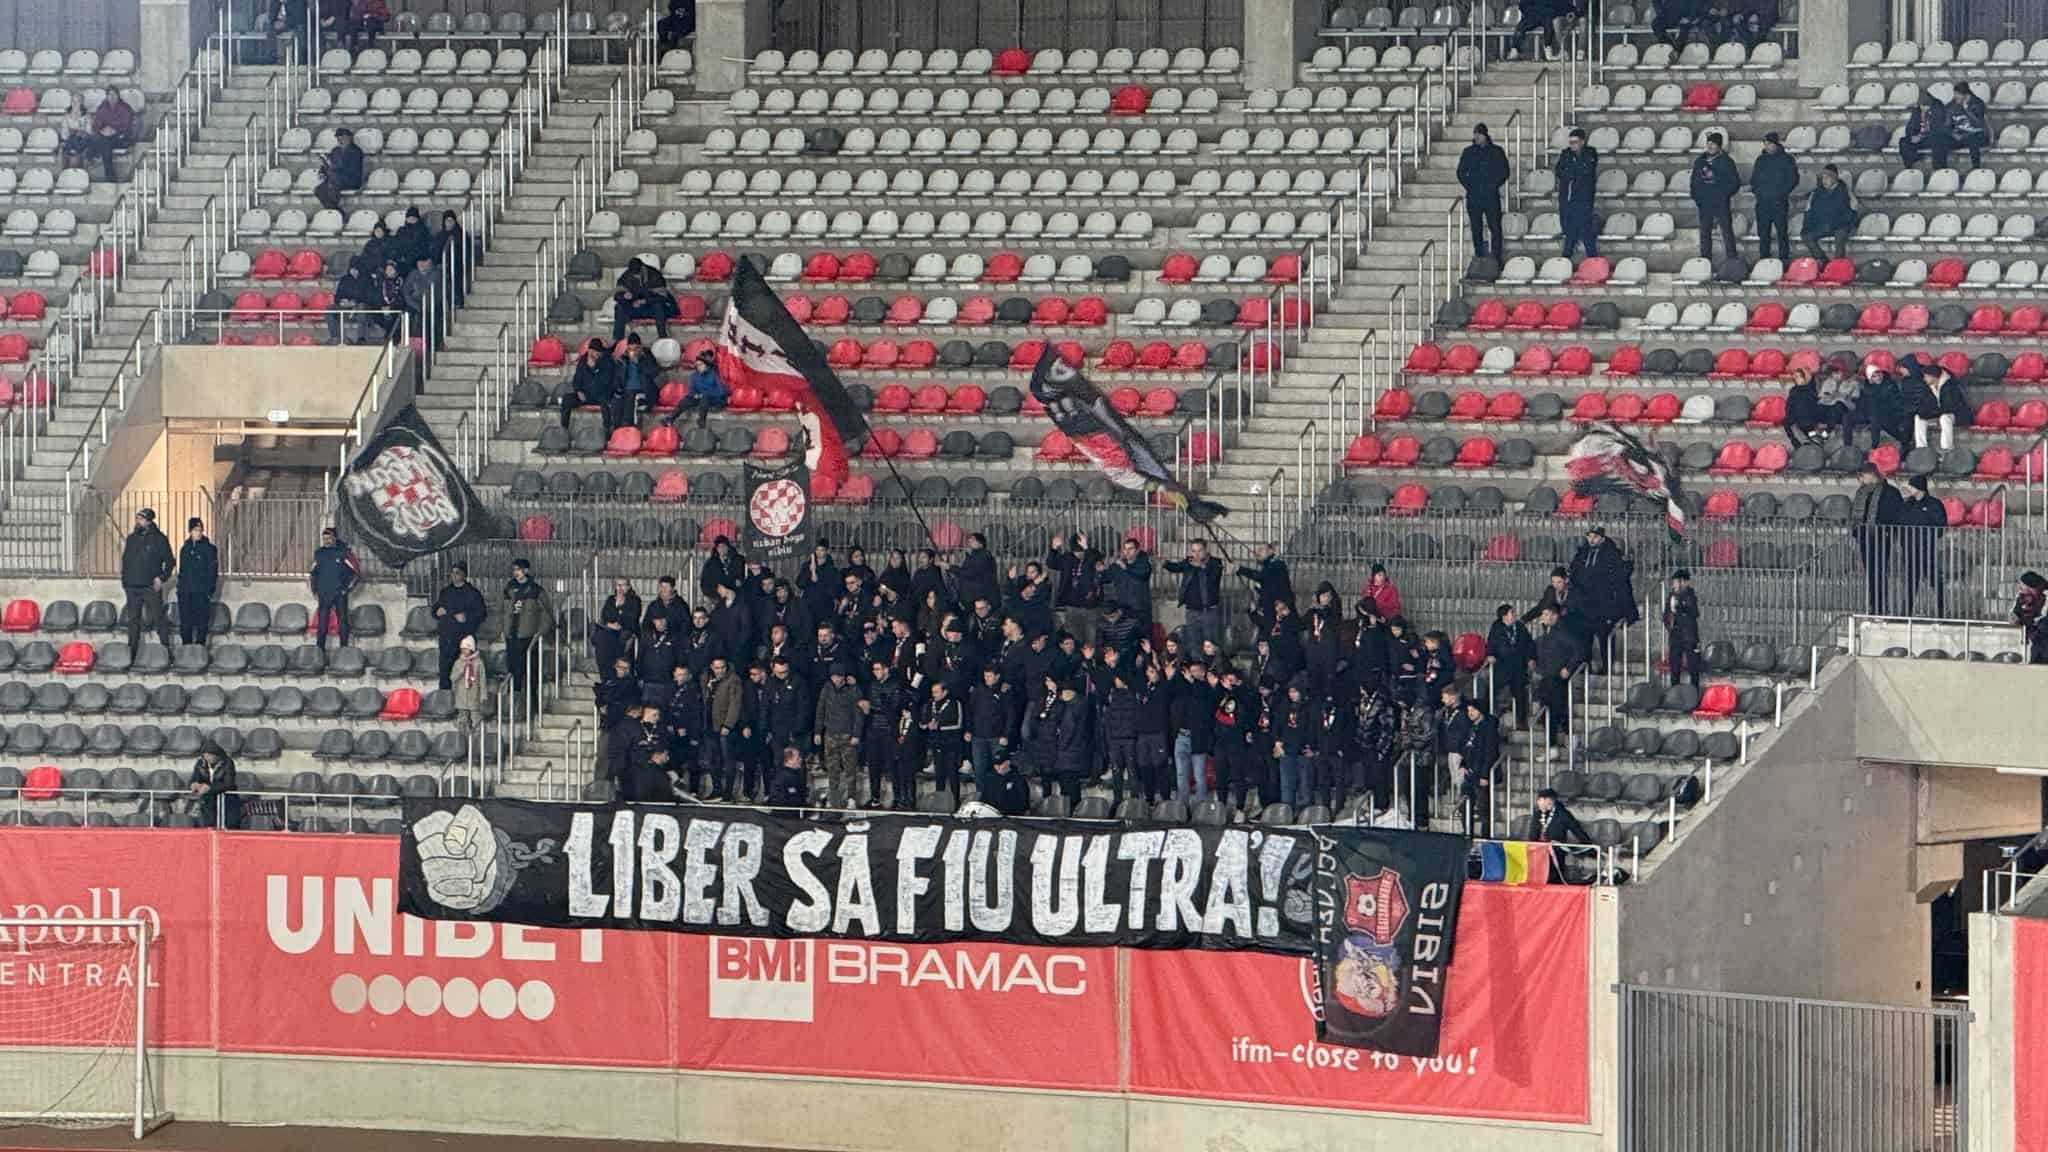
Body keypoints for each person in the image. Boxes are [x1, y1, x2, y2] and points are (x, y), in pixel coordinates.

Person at [1568, 526, 1634, 673]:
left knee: (1605, 637)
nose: (1591, 540)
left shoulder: (1611, 553)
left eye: (1595, 537)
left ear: (1602, 538)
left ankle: (1607, 667)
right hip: (1584, 603)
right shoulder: (1582, 552)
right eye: (1589, 536)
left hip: (1603, 605)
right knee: (1584, 638)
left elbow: (1620, 576)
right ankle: (1586, 666)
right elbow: (1574, 571)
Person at [1851, 464, 1905, 614]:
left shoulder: (1890, 492)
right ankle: (1874, 604)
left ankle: (1881, 605)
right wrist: (1857, 531)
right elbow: (1856, 514)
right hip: (1865, 537)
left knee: (1879, 571)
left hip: (1881, 537)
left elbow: (1895, 514)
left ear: (1871, 474)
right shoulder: (1861, 492)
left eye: (1863, 475)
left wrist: (1887, 530)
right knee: (1870, 572)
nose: (1861, 479)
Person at [119, 508, 175, 651]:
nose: (138, 521)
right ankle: (132, 651)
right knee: (133, 621)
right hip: (132, 586)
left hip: (150, 586)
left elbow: (170, 561)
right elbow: (125, 560)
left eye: (141, 519)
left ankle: (166, 650)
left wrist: (161, 578)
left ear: (149, 521)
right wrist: (125, 580)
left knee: (159, 619)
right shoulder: (131, 538)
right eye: (137, 518)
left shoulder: (159, 538)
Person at [1533, 606, 1584, 754]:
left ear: (1555, 616)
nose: (1543, 617)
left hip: (1557, 679)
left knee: (1556, 711)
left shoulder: (1563, 632)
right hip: (1545, 677)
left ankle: (1563, 739)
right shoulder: (1545, 634)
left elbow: (1578, 650)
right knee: (1547, 712)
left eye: (1546, 614)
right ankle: (1554, 744)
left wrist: (1568, 668)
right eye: (1543, 614)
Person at [1457, 122, 1511, 262]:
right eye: (1475, 135)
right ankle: (1479, 254)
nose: (1477, 137)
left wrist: (1493, 184)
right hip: (1474, 195)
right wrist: (1470, 186)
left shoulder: (1496, 151)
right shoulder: (1468, 152)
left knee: (1495, 227)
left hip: (1490, 195)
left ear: (1485, 135)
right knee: (1476, 227)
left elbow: (1504, 171)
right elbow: (1461, 172)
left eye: (1479, 134)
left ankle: (1496, 256)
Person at [813, 663, 864, 810]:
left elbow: (858, 714)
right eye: (834, 676)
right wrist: (818, 731)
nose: (836, 679)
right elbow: (820, 710)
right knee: (832, 769)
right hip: (830, 734)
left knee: (850, 769)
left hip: (848, 735)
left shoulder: (853, 689)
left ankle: (851, 798)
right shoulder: (826, 689)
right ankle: (833, 799)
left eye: (839, 676)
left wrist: (856, 734)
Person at [430, 562, 486, 689]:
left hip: (464, 638)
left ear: (464, 575)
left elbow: (481, 613)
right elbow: (436, 608)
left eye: (458, 573)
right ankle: (445, 701)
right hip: (446, 637)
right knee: (445, 670)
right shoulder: (445, 591)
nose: (454, 575)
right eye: (452, 572)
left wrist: (466, 617)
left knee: (465, 671)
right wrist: (437, 611)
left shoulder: (473, 593)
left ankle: (462, 703)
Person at [502, 558, 554, 696]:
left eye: (518, 569)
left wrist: (540, 632)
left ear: (526, 570)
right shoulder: (508, 588)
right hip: (512, 635)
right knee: (513, 670)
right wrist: (503, 630)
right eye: (514, 569)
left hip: (528, 637)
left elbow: (547, 614)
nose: (516, 572)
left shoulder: (536, 590)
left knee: (531, 672)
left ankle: (532, 702)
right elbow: (502, 610)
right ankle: (515, 702)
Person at [966, 663, 1017, 801]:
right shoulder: (978, 690)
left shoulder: (1004, 692)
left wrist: (1006, 734)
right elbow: (970, 711)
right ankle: (981, 797)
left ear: (997, 677)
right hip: (978, 737)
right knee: (979, 769)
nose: (987, 679)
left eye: (989, 676)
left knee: (1000, 769)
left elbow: (1010, 715)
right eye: (985, 676)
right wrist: (968, 729)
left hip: (997, 737)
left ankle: (1000, 797)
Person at [1164, 540, 1224, 655]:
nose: (1196, 554)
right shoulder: (1189, 562)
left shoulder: (1215, 563)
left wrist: (1202, 566)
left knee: (1210, 644)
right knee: (1194, 644)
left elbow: (1213, 577)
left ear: (1206, 550)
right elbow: (1176, 567)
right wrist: (1165, 563)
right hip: (1191, 611)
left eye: (1199, 551)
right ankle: (1197, 670)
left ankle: (1213, 670)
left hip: (1209, 611)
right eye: (1193, 551)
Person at [1901, 475, 1948, 617]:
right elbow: (1900, 524)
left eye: (1912, 486)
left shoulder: (1934, 504)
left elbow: (1941, 526)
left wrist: (1926, 535)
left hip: (1928, 550)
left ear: (1919, 488)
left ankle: (1941, 611)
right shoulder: (1907, 504)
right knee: (1910, 583)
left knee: (1935, 582)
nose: (1909, 489)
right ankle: (1906, 613)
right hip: (1910, 550)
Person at [1690, 131, 1741, 262]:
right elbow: (1694, 182)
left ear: (1719, 146)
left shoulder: (1727, 162)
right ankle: (1705, 263)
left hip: (1720, 203)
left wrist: (1723, 195)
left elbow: (1735, 183)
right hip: (1705, 203)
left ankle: (1732, 262)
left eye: (1713, 144)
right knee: (1705, 234)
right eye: (1708, 143)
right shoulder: (1700, 161)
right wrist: (1698, 198)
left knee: (1727, 233)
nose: (1710, 146)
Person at [1749, 132, 1798, 263]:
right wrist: (1758, 192)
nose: (1767, 146)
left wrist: (1781, 193)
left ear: (1776, 144)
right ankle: (1764, 260)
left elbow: (1793, 179)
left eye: (1769, 144)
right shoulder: (1760, 160)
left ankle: (1784, 261)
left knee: (1782, 233)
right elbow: (1754, 180)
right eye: (1765, 144)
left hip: (1779, 202)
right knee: (1763, 234)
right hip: (1762, 203)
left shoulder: (1787, 159)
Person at [1485, 602, 1534, 729]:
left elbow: (1529, 643)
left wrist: (1531, 658)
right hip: (1502, 665)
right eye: (1511, 613)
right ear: (1504, 616)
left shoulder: (1520, 627)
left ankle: (1521, 720)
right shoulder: (1496, 627)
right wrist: (1490, 655)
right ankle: (1488, 714)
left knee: (1520, 693)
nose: (1514, 615)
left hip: (1518, 666)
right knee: (1491, 690)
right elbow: (1491, 643)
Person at [309, 526, 357, 650]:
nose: (326, 541)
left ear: (334, 538)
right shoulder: (319, 553)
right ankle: (320, 651)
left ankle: (344, 650)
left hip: (339, 594)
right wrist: (314, 589)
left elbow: (356, 573)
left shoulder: (344, 553)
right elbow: (313, 573)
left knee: (343, 622)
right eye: (324, 538)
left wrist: (346, 589)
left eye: (329, 538)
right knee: (322, 624)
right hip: (324, 594)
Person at [1555, 128, 1600, 259]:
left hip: (1584, 198)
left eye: (1575, 142)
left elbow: (1586, 171)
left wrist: (1571, 172)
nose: (1572, 145)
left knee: (1586, 230)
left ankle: (1592, 259)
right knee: (1570, 230)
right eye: (1570, 142)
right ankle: (1566, 259)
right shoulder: (1566, 154)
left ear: (1582, 141)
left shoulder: (1590, 153)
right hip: (1568, 198)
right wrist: (1573, 173)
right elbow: (1559, 171)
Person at [175, 517, 218, 647]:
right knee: (185, 623)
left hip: (201, 592)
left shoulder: (209, 549)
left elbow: (213, 572)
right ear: (190, 531)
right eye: (195, 530)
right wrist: (180, 590)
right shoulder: (185, 549)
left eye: (200, 530)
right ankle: (186, 649)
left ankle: (200, 649)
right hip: (186, 592)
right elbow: (182, 571)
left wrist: (209, 590)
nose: (198, 533)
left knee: (201, 623)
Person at [560, 338, 618, 431]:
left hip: (602, 396)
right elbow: (576, 380)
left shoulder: (608, 361)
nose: (598, 355)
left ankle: (608, 432)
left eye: (599, 353)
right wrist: (578, 391)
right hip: (585, 395)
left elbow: (607, 382)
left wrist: (594, 368)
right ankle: (564, 429)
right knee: (567, 399)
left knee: (607, 404)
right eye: (596, 353)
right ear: (590, 352)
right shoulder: (582, 362)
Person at [1531, 788, 1591, 878]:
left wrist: (1590, 847)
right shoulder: (1537, 814)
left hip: (1556, 851)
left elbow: (1577, 830)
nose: (1538, 803)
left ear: (1548, 800)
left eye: (1540, 800)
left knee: (1554, 878)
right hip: (1539, 852)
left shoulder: (1563, 813)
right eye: (1538, 800)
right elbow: (1532, 834)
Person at [1801, 164, 1857, 260]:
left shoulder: (1845, 191)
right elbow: (1808, 210)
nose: (1824, 180)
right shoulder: (1817, 193)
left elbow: (1854, 207)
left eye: (1827, 177)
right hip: (1823, 226)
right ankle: (1824, 262)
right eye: (1823, 178)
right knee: (1806, 236)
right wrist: (1807, 227)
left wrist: (1848, 225)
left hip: (1840, 226)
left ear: (1834, 178)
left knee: (1839, 239)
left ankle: (1838, 266)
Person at [611, 256, 675, 340]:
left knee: (659, 307)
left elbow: (663, 297)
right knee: (620, 308)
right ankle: (618, 340)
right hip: (635, 308)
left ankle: (663, 339)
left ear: (642, 268)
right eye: (634, 274)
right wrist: (624, 295)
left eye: (637, 273)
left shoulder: (654, 275)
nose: (635, 276)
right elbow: (616, 295)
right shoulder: (626, 275)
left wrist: (644, 301)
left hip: (650, 308)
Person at [1909, 366, 1971, 452]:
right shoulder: (1929, 386)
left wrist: (1930, 414)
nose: (1924, 379)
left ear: (1933, 376)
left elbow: (1948, 408)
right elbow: (1927, 404)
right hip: (1939, 414)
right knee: (1919, 417)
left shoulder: (1951, 386)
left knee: (1945, 418)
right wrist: (1924, 413)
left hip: (1957, 416)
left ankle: (1947, 449)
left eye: (1926, 376)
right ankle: (1921, 449)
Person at [82, 91, 133, 183]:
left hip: (121, 137)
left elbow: (127, 126)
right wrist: (103, 130)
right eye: (110, 94)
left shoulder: (125, 108)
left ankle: (92, 152)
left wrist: (115, 130)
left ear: (118, 96)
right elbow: (96, 125)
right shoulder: (102, 108)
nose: (112, 97)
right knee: (105, 143)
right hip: (105, 137)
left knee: (102, 143)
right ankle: (110, 177)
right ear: (107, 96)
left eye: (114, 94)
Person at [668, 349, 726, 428]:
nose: (698, 367)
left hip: (715, 399)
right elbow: (692, 390)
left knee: (705, 398)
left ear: (706, 365)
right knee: (686, 400)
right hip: (700, 398)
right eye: (697, 365)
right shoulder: (695, 376)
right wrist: (695, 395)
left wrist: (705, 394)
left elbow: (721, 391)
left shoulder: (714, 374)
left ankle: (701, 422)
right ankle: (671, 418)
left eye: (701, 365)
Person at [189, 739, 240, 829]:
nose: (207, 758)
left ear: (216, 755)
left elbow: (229, 784)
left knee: (228, 826)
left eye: (210, 755)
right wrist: (194, 784)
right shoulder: (200, 763)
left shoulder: (227, 763)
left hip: (227, 802)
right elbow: (195, 777)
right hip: (208, 802)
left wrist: (210, 788)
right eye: (205, 755)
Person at [1663, 570, 1701, 689]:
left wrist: (1680, 605)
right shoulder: (1671, 596)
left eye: (1677, 582)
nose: (1675, 585)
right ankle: (1674, 690)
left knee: (1693, 666)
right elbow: (1666, 614)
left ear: (1685, 582)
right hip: (1675, 635)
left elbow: (1694, 612)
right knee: (1674, 665)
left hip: (1689, 635)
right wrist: (1668, 622)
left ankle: (1694, 691)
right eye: (1674, 582)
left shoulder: (1690, 595)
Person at [315, 127, 364, 211]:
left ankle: (333, 210)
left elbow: (353, 170)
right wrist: (322, 171)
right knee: (319, 189)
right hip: (335, 179)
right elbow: (328, 163)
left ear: (349, 138)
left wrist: (335, 169)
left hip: (351, 180)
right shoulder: (335, 150)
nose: (340, 141)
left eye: (343, 138)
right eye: (338, 139)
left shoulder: (356, 151)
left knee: (333, 184)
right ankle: (335, 210)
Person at [1899, 91, 1951, 170]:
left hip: (1933, 137)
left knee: (1939, 143)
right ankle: (1910, 165)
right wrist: (1912, 136)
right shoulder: (1917, 110)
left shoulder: (1938, 108)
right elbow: (1910, 126)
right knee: (1903, 141)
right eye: (1921, 106)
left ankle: (1939, 170)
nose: (1923, 108)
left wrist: (1921, 137)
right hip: (1920, 138)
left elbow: (1938, 129)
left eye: (1926, 106)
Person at [1947, 79, 1990, 168]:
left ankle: (1976, 168)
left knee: (1972, 140)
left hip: (1979, 135)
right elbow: (1947, 123)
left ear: (1966, 95)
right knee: (1940, 140)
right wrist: (1953, 134)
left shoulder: (1978, 104)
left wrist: (1966, 110)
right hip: (1961, 136)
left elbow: (1978, 124)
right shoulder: (1952, 104)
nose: (1955, 97)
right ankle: (1940, 169)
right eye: (1955, 94)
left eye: (1958, 94)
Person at [451, 635, 487, 732]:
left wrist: (483, 695)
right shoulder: (458, 662)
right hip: (461, 696)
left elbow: (482, 680)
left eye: (466, 649)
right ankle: (462, 739)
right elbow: (453, 678)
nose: (463, 651)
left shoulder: (479, 663)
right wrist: (462, 669)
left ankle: (477, 739)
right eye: (462, 649)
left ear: (471, 649)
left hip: (474, 695)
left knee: (476, 718)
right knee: (462, 719)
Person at [982, 751, 1031, 816]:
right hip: (991, 816)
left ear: (1008, 762)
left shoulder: (1018, 779)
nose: (997, 767)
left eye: (1000, 764)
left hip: (1012, 817)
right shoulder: (990, 779)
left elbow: (1024, 804)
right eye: (995, 764)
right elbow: (983, 799)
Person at [58, 95, 90, 171]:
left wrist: (80, 131)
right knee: (67, 143)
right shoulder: (66, 116)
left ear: (81, 103)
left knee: (79, 141)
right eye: (73, 101)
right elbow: (64, 134)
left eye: (78, 101)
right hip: (70, 140)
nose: (75, 104)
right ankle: (65, 172)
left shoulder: (86, 116)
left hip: (82, 140)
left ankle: (80, 172)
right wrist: (74, 131)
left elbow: (89, 131)